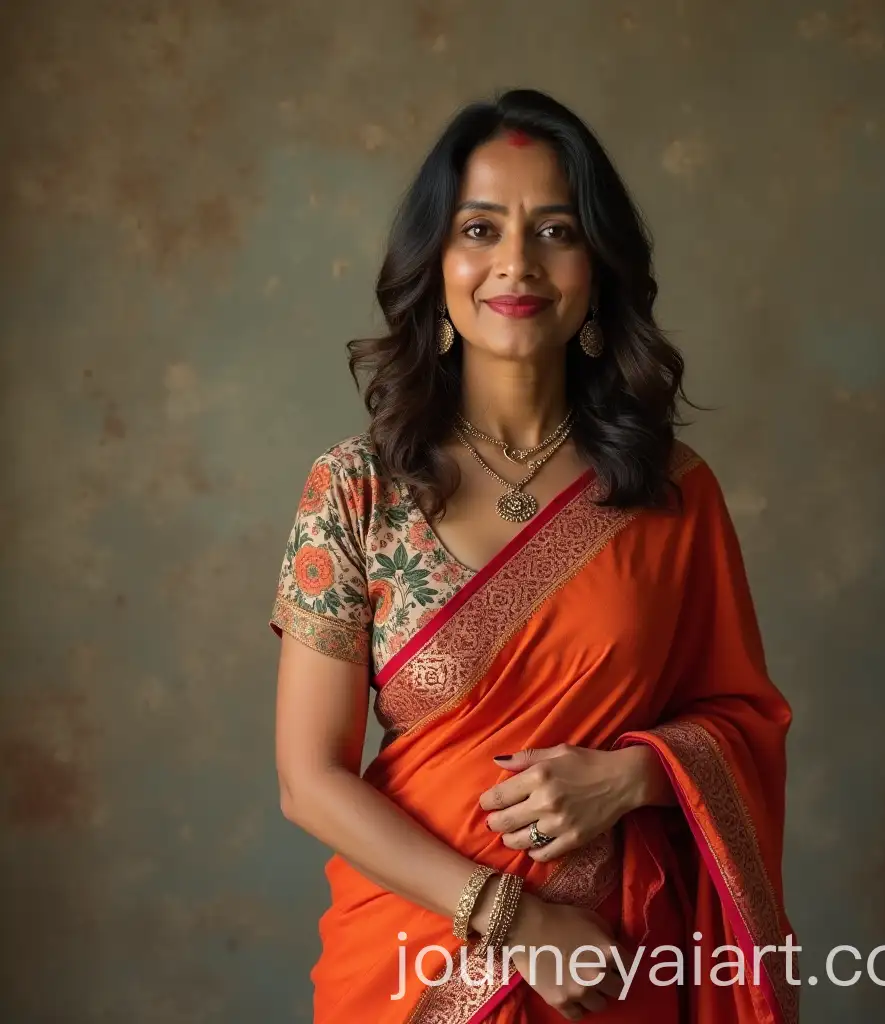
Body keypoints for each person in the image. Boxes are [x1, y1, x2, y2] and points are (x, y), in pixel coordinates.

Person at [270, 88, 798, 1023]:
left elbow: (743, 717)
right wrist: (513, 922)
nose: (516, 262)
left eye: (555, 230)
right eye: (480, 228)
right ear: (436, 264)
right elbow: (309, 780)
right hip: (408, 966)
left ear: (596, 268)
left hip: (618, 969)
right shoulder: (355, 489)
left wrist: (636, 775)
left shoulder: (668, 491)